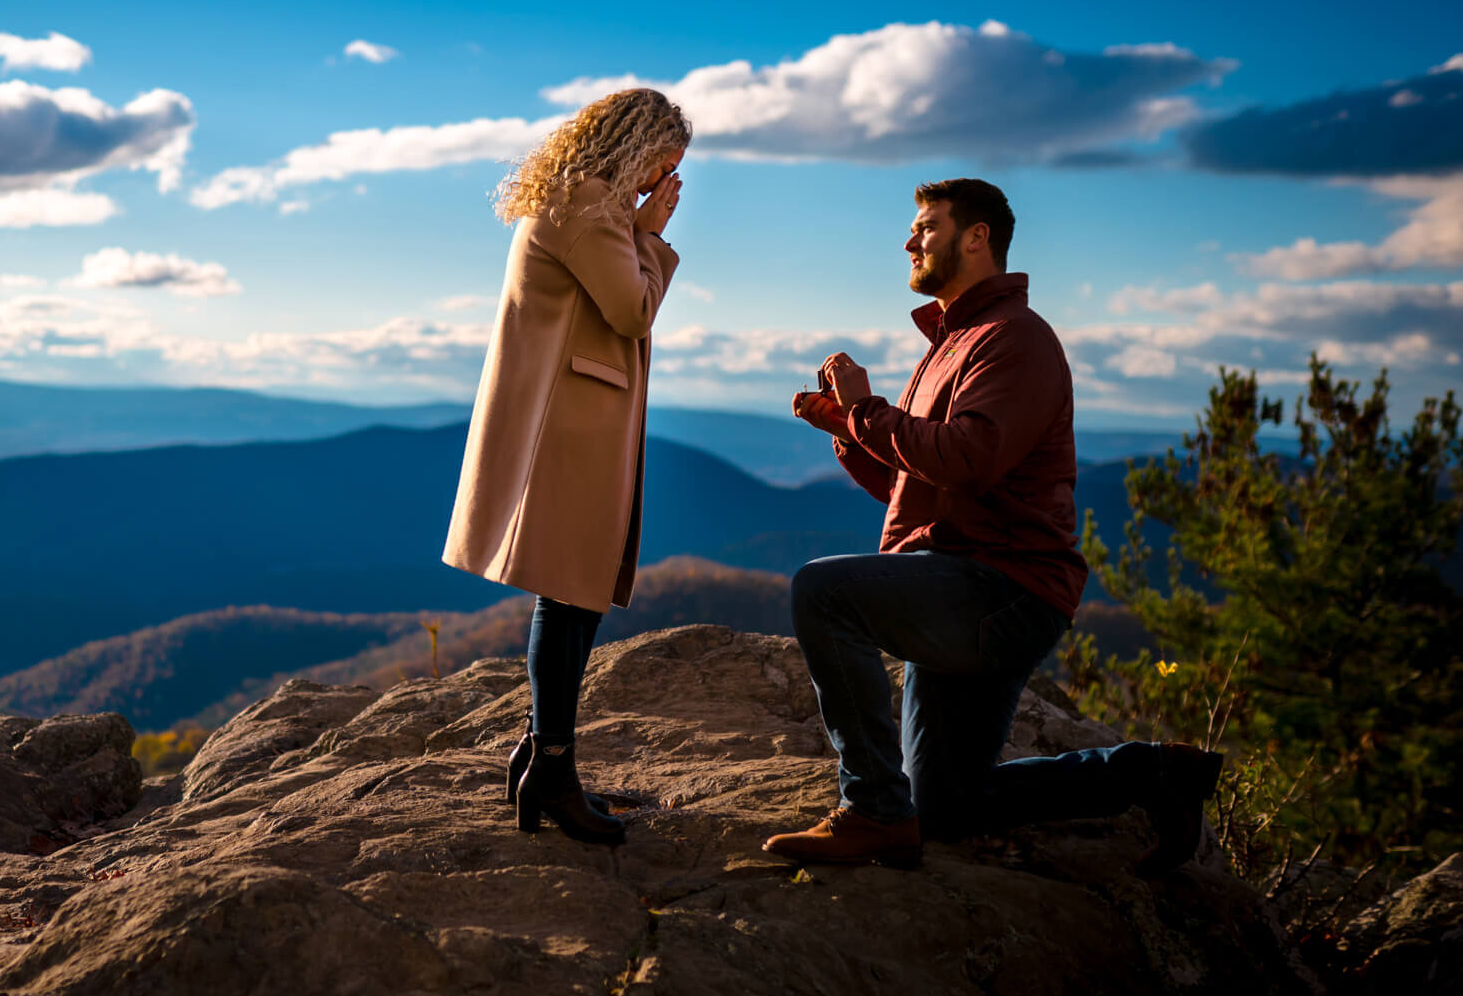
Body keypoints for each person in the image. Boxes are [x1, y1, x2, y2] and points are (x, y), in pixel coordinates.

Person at [766, 178, 1223, 872]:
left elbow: (970, 458)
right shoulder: (955, 342)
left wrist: (867, 410)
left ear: (976, 237)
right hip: (966, 578)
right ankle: (1154, 774)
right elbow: (919, 487)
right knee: (948, 804)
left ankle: (871, 811)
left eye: (926, 226)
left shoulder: (1015, 339)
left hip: (1000, 588)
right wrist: (850, 430)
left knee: (822, 593)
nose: (909, 240)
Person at [442, 87, 691, 847]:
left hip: (576, 423)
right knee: (568, 596)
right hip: (570, 430)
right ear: (633, 143)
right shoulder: (589, 205)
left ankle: (543, 753)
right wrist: (651, 236)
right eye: (662, 164)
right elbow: (630, 310)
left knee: (574, 595)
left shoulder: (581, 201)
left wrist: (639, 227)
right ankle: (552, 767)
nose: (662, 183)